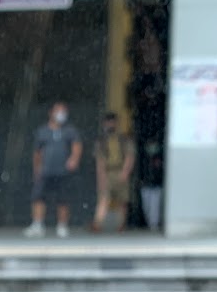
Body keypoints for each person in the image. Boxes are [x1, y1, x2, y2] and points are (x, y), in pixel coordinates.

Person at [25, 102, 82, 238]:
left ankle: (62, 226)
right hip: (45, 171)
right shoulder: (42, 131)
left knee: (63, 199)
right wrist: (36, 169)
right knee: (38, 197)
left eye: (63, 111)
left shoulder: (70, 131)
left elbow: (77, 145)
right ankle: (38, 225)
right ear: (51, 113)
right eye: (58, 111)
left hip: (63, 172)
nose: (61, 114)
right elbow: (37, 152)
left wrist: (74, 159)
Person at [90, 110, 135, 234]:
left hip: (120, 170)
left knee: (122, 200)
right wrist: (101, 177)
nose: (110, 125)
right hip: (108, 172)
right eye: (108, 122)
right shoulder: (101, 140)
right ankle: (98, 223)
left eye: (113, 122)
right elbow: (100, 160)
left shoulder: (124, 139)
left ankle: (121, 224)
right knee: (104, 198)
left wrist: (125, 172)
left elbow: (129, 156)